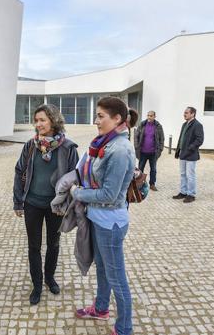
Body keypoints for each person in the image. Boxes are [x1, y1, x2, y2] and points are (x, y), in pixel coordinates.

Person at [72, 97, 138, 335]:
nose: (96, 120)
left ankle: (124, 328)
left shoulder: (119, 149)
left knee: (117, 277)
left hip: (110, 222)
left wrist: (77, 192)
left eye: (101, 116)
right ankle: (101, 309)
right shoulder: (105, 142)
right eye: (97, 115)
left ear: (118, 118)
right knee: (103, 268)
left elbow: (110, 194)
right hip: (99, 218)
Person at [13, 104, 79, 305]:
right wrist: (18, 201)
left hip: (55, 207)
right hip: (32, 203)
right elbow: (19, 171)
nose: (38, 124)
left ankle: (50, 277)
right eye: (36, 120)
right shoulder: (31, 146)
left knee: (54, 244)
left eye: (42, 120)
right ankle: (37, 284)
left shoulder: (68, 148)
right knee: (34, 246)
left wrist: (68, 204)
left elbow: (75, 177)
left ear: (53, 120)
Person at [173, 106, 204, 203]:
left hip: (191, 154)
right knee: (183, 174)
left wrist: (190, 148)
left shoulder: (197, 125)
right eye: (184, 112)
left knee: (190, 175)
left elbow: (199, 140)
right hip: (183, 153)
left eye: (186, 113)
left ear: (192, 114)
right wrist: (178, 150)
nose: (184, 114)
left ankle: (191, 194)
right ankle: (183, 192)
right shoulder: (184, 124)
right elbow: (181, 138)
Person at [133, 110, 164, 191]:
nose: (149, 117)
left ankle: (152, 184)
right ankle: (139, 184)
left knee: (153, 169)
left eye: (151, 116)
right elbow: (136, 136)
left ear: (154, 116)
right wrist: (136, 146)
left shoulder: (158, 126)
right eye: (148, 115)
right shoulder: (142, 125)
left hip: (153, 152)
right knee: (140, 169)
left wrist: (160, 149)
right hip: (142, 152)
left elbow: (162, 139)